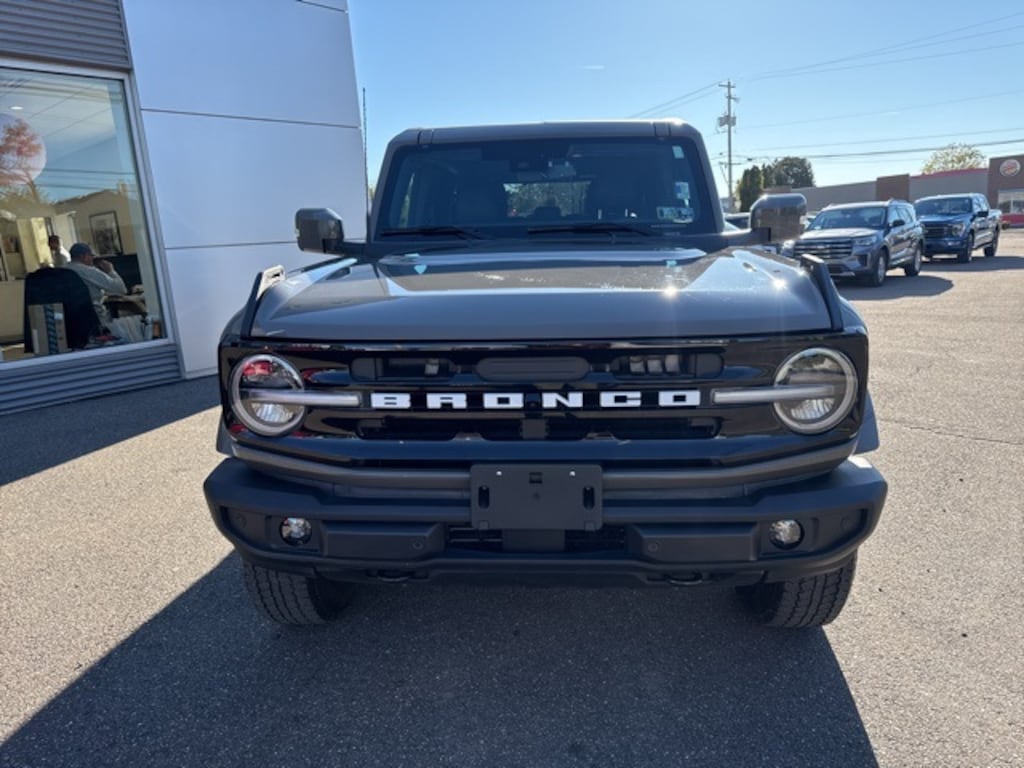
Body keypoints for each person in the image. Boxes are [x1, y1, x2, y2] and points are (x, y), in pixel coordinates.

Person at [62, 242, 127, 321]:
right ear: (83, 256)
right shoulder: (88, 270)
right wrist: (111, 271)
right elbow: (121, 289)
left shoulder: (63, 270)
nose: (92, 259)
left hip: (72, 319)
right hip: (96, 317)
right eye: (90, 256)